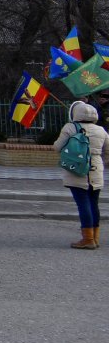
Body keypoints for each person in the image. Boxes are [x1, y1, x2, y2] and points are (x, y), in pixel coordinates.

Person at [54, 101, 107, 249]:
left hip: (77, 170)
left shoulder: (70, 127)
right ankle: (95, 238)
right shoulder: (101, 130)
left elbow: (57, 147)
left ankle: (87, 239)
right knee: (93, 203)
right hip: (96, 170)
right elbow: (107, 151)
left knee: (83, 203)